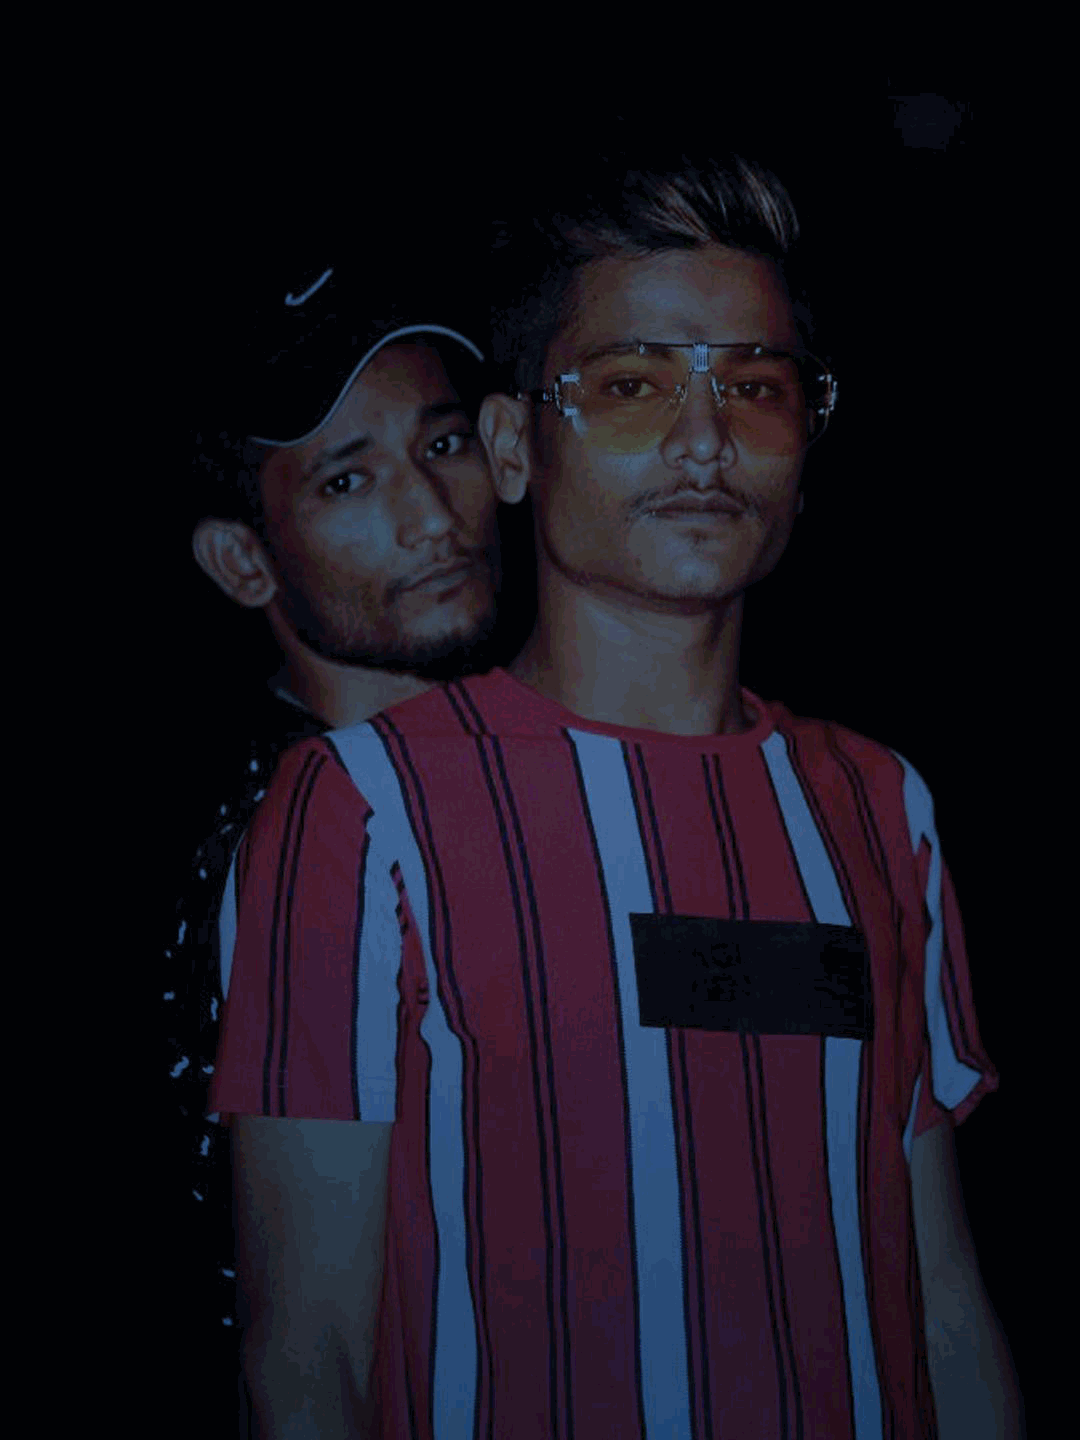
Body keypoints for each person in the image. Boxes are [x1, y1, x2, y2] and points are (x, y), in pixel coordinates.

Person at [209, 155, 1023, 1438]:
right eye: (632, 386)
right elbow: (308, 1356)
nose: (704, 439)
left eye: (754, 386)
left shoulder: (878, 804)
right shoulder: (361, 814)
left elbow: (944, 1310)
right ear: (512, 446)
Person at [162, 255, 523, 1431]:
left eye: (443, 443)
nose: (432, 517)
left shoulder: (500, 791)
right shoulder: (279, 847)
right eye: (348, 479)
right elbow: (293, 1350)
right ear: (244, 561)